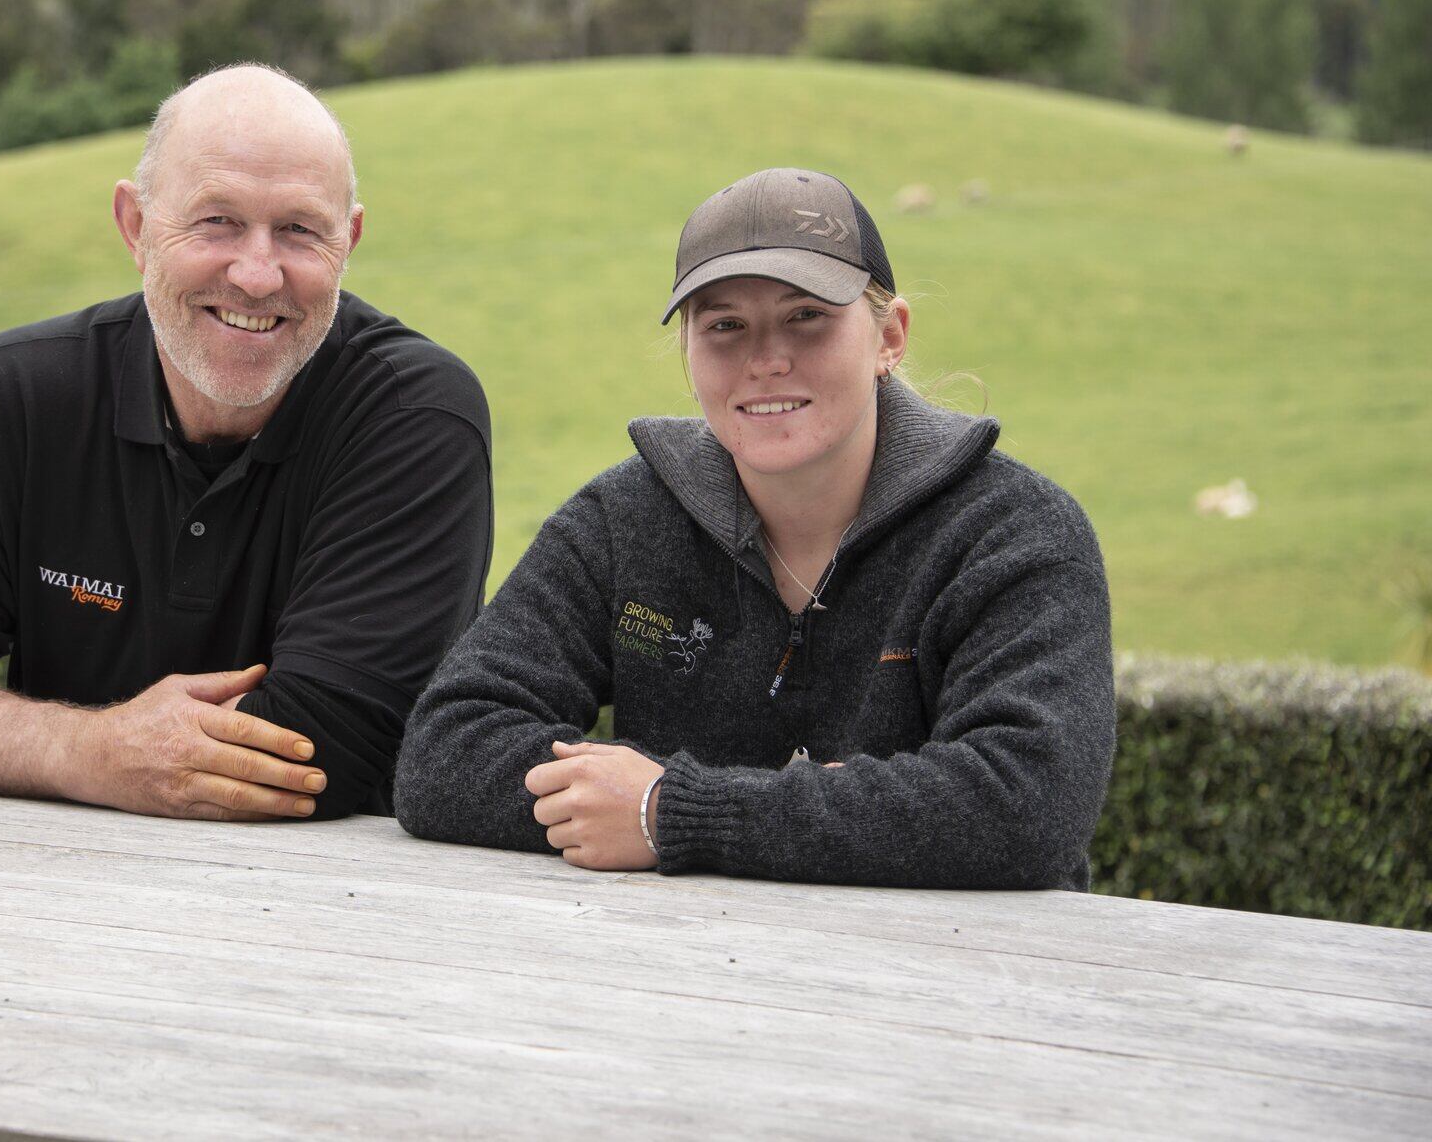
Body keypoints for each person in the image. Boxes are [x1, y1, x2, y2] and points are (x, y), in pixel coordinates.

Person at [394, 168, 1114, 887]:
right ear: (689, 352)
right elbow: (444, 750)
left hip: (955, 984)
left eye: (807, 316)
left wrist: (670, 812)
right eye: (725, 326)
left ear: (888, 336)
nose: (766, 360)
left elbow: (1024, 806)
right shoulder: (623, 519)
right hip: (681, 979)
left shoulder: (1015, 533)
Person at [0, 64, 493, 822]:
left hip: (321, 917)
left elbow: (322, 750)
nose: (258, 272)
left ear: (351, 240)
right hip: (36, 898)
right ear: (135, 226)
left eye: (300, 230)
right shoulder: (15, 398)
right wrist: (93, 750)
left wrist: (28, 737)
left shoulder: (413, 415)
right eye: (217, 221)